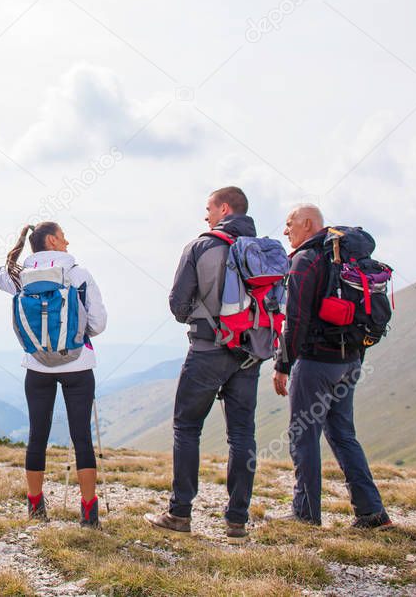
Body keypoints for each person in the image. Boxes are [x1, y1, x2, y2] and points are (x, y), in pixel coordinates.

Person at [0, 221, 107, 528]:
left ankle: (35, 506)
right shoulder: (79, 275)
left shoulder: (21, 277)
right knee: (81, 437)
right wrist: (75, 334)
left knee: (37, 435)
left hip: (36, 365)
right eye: (63, 236)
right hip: (78, 364)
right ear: (52, 241)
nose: (68, 241)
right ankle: (88, 510)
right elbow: (98, 324)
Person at [144, 186, 260, 540]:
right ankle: (237, 519)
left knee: (187, 427)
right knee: (241, 434)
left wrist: (201, 312)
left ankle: (180, 513)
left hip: (208, 349)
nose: (205, 215)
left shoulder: (201, 246)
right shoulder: (264, 249)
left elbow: (179, 306)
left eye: (208, 207)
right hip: (250, 354)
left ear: (224, 208)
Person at [274, 204, 392, 529]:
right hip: (350, 360)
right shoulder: (345, 259)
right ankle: (372, 513)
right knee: (343, 434)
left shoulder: (305, 261)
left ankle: (305, 514)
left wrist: (283, 364)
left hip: (315, 363)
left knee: (303, 435)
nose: (285, 231)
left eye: (289, 224)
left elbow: (294, 320)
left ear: (308, 224)